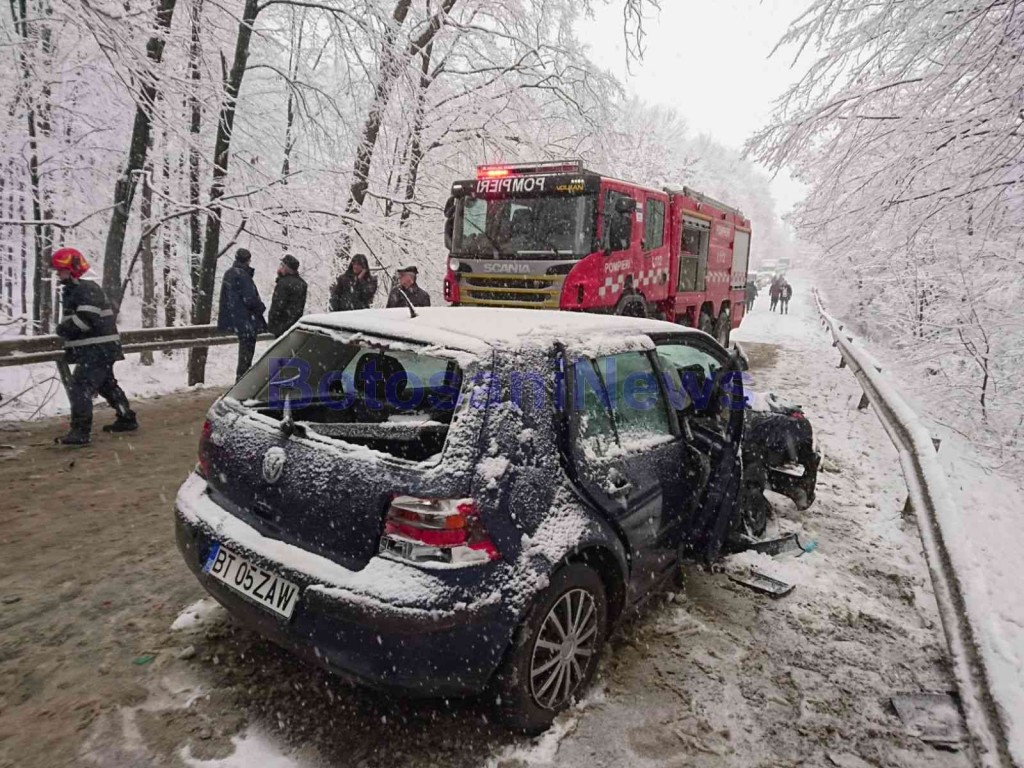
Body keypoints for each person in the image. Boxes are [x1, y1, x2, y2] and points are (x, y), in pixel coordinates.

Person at [51, 247, 137, 446]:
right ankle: (126, 418)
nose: (58, 274)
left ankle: (80, 432)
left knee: (79, 386)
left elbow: (86, 319)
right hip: (100, 348)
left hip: (96, 349)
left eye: (60, 269)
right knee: (106, 385)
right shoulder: (77, 289)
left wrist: (64, 329)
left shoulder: (85, 289)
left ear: (72, 269)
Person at [217, 248, 268, 381]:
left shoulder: (229, 273)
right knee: (246, 354)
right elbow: (250, 299)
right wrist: (261, 308)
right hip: (247, 321)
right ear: (247, 260)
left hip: (237, 320)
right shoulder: (243, 275)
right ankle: (242, 382)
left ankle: (241, 380)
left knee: (244, 353)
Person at [268, 254, 308, 337]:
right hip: (294, 325)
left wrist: (271, 324)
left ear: (286, 268)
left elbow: (277, 306)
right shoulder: (302, 284)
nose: (279, 268)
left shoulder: (283, 283)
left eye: (281, 265)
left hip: (280, 325)